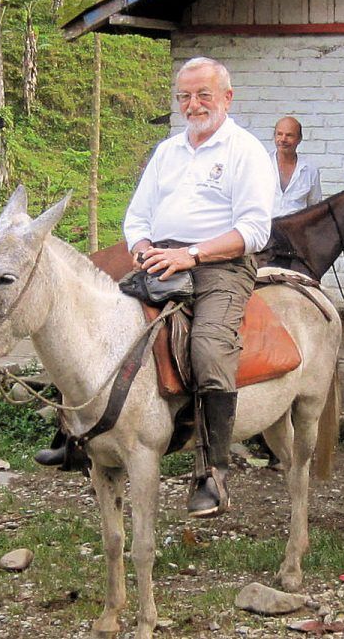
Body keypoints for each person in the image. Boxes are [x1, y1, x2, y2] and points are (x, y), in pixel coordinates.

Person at [123, 57, 276, 518]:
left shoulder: (245, 150)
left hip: (220, 266)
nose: (193, 105)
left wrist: (189, 255)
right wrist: (144, 245)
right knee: (99, 323)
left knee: (208, 348)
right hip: (162, 259)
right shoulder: (167, 151)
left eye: (203, 95)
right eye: (184, 96)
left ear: (226, 98)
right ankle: (75, 435)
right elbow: (136, 217)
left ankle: (212, 475)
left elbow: (254, 230)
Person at [271, 116, 321, 217]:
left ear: (299, 139)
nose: (283, 139)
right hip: (264, 230)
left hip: (296, 231)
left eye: (289, 135)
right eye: (279, 134)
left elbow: (315, 209)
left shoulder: (310, 171)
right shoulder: (261, 164)